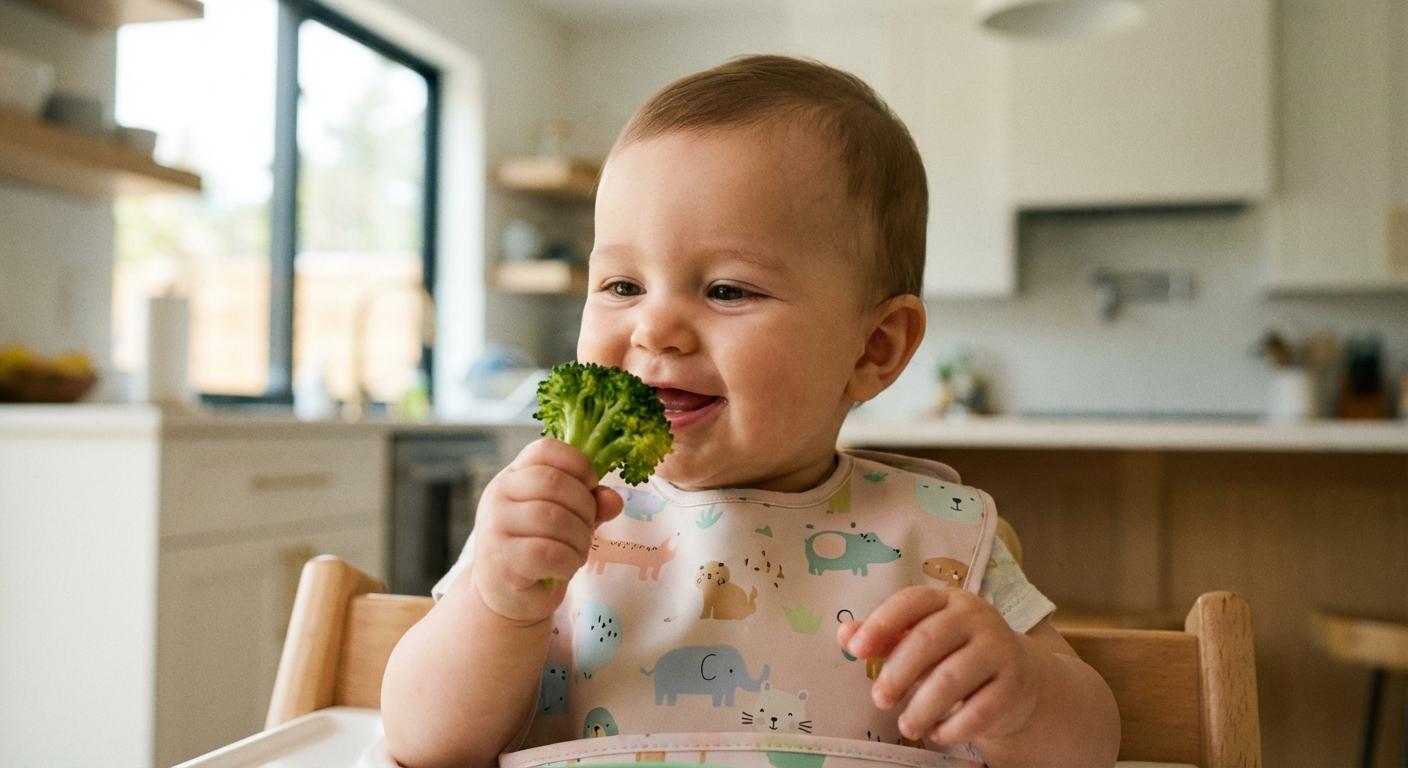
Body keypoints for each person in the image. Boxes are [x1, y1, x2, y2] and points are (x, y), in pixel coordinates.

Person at [381, 54, 1120, 768]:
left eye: (727, 290)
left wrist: (1023, 696)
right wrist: (500, 605)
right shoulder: (548, 523)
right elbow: (424, 742)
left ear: (874, 348)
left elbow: (1089, 748)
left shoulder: (936, 539)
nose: (654, 329)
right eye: (621, 286)